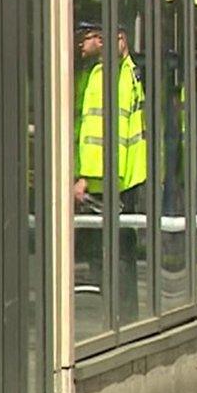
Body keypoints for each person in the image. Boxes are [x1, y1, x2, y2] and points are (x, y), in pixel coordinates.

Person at [73, 22, 147, 325]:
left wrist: (85, 178)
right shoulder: (119, 72)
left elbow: (103, 134)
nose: (82, 44)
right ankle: (122, 316)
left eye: (87, 38)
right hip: (121, 178)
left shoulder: (110, 75)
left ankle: (119, 319)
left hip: (108, 181)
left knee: (112, 255)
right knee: (117, 254)